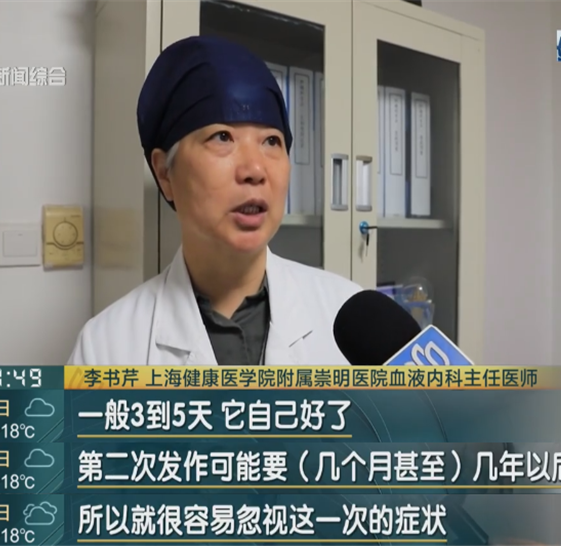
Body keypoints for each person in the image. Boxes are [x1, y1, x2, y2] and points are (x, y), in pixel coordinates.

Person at [69, 36, 361, 366]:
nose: (255, 169)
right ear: (165, 173)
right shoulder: (105, 349)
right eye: (222, 137)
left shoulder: (349, 316)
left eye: (271, 141)